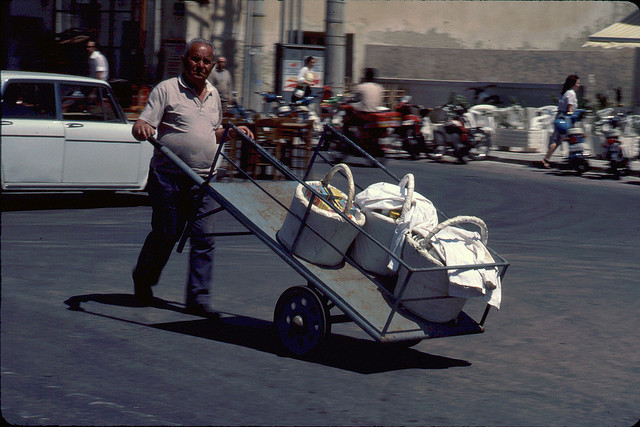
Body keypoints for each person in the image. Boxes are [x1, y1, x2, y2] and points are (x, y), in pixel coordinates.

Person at [131, 38, 253, 318]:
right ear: (186, 60)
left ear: (212, 65)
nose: (201, 65)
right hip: (169, 176)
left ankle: (198, 299)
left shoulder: (213, 94)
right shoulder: (167, 89)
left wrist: (233, 132)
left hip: (203, 180)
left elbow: (214, 131)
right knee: (166, 233)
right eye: (196, 59)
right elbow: (145, 122)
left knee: (204, 238)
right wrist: (141, 127)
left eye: (206, 61)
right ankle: (143, 279)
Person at [542, 74, 580, 169]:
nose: (579, 85)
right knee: (571, 137)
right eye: (578, 83)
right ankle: (571, 158)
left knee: (557, 139)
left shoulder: (565, 92)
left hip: (560, 117)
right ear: (573, 84)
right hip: (566, 118)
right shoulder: (571, 93)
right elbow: (570, 108)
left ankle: (547, 158)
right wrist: (572, 117)